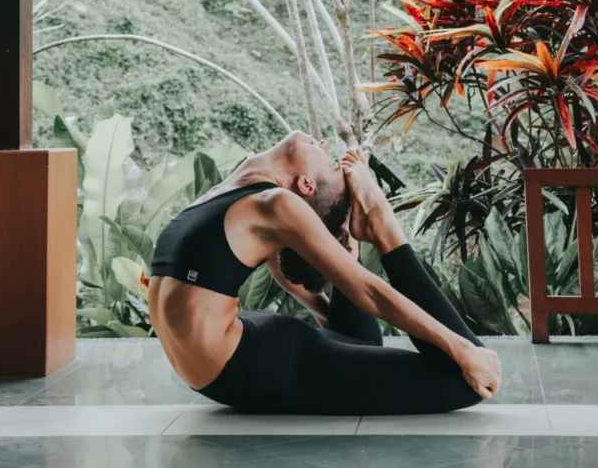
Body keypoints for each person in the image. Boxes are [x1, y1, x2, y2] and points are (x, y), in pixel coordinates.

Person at [148, 132, 501, 415]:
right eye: (334, 161)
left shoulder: (263, 202)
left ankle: (378, 226)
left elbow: (367, 292)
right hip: (251, 358)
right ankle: (374, 225)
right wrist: (321, 309)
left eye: (331, 164)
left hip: (254, 357)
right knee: (437, 373)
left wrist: (462, 350)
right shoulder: (243, 196)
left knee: (462, 380)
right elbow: (275, 263)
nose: (324, 146)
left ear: (306, 185)